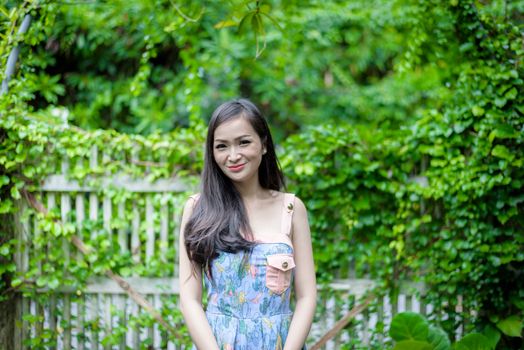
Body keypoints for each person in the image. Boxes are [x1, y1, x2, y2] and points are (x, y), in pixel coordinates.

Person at [178, 98, 317, 350]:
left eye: (244, 142)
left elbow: (307, 297)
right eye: (222, 146)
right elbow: (189, 299)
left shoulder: (291, 209)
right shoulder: (197, 209)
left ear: (263, 145)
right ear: (212, 152)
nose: (233, 156)